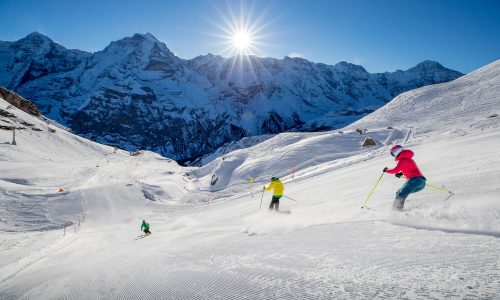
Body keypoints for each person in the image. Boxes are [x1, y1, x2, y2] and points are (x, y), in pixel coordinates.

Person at [383, 145, 426, 211]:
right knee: (399, 192)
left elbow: (395, 170)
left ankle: (396, 211)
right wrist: (401, 174)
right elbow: (410, 169)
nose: (393, 156)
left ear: (396, 152)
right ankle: (397, 209)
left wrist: (386, 170)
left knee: (401, 193)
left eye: (392, 154)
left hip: (414, 180)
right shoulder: (408, 158)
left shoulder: (402, 160)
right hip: (421, 182)